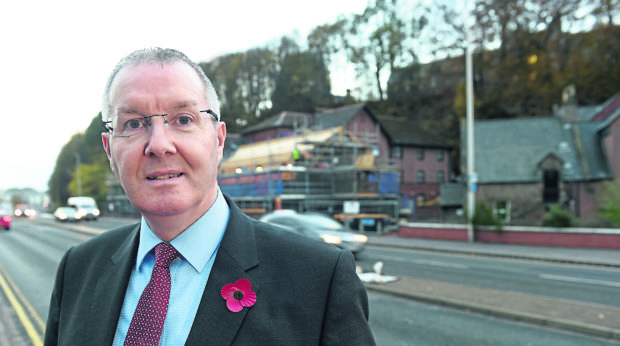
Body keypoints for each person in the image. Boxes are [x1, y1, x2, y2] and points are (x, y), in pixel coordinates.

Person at [44, 47, 375, 345]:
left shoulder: (320, 279)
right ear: (109, 151)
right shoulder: (77, 269)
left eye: (183, 119)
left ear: (218, 141)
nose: (159, 144)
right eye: (133, 124)